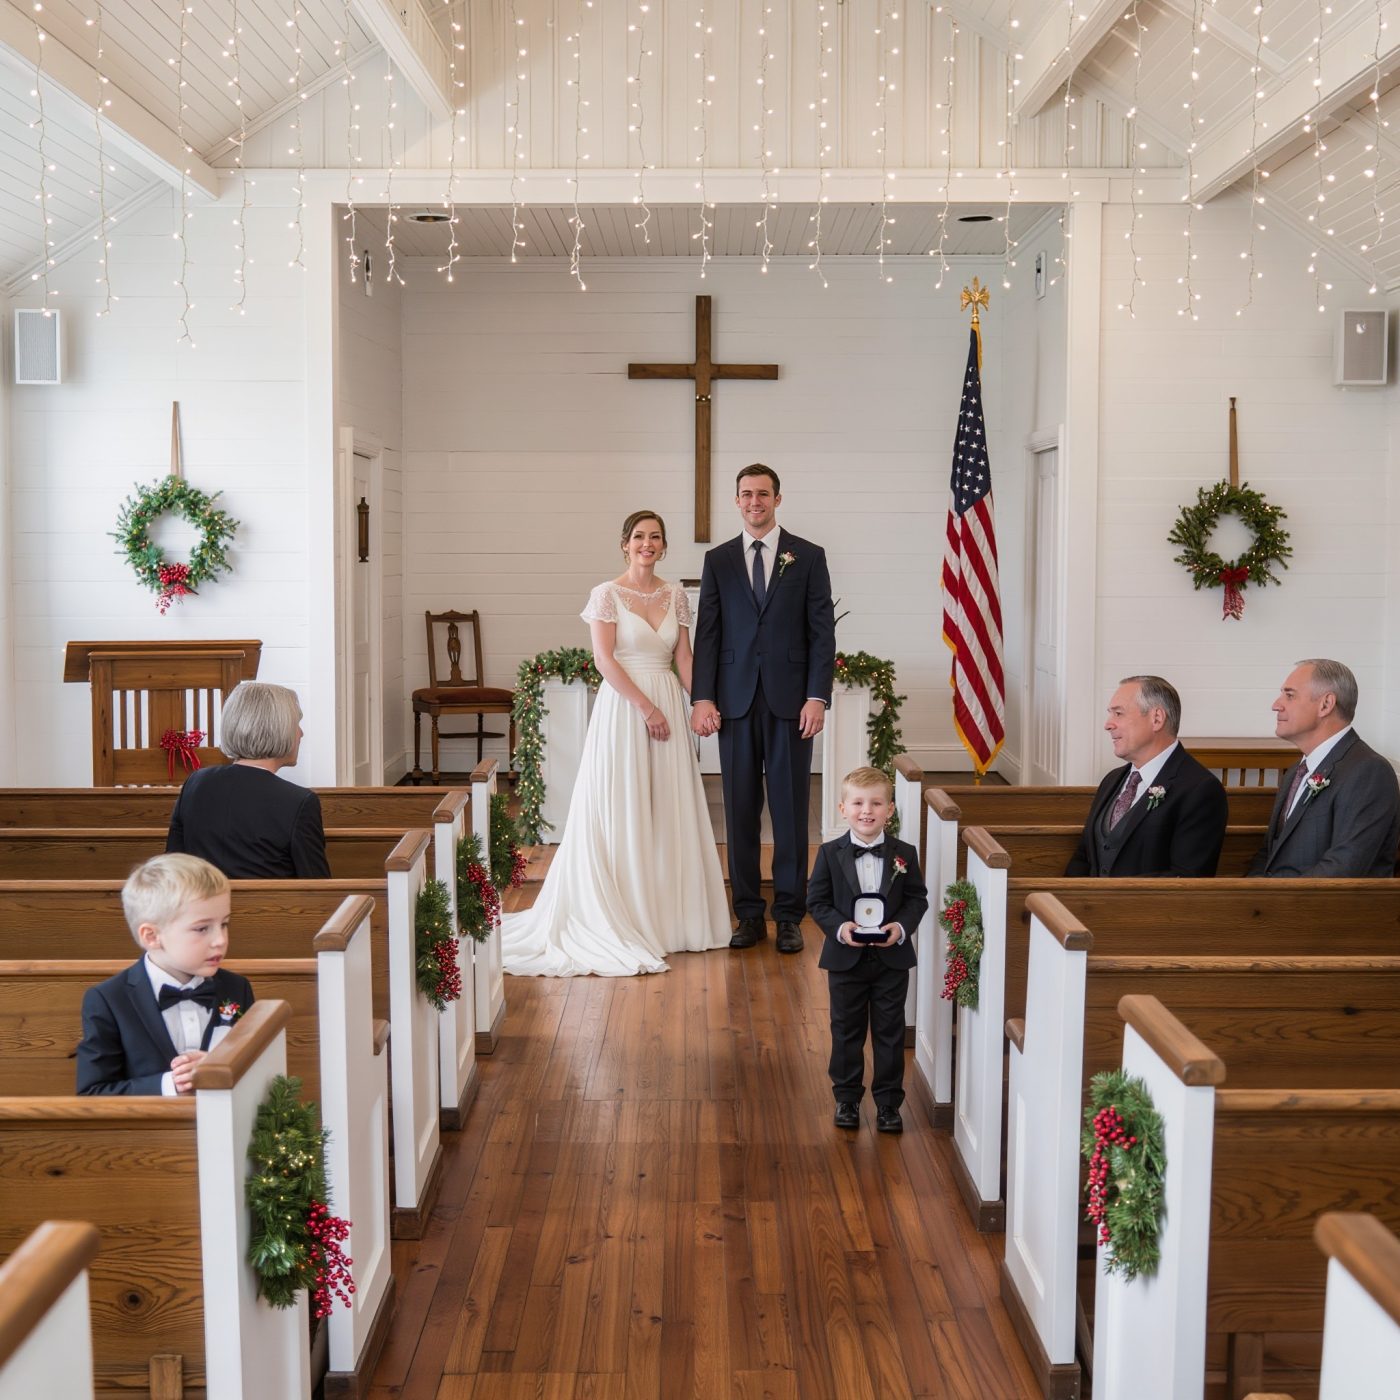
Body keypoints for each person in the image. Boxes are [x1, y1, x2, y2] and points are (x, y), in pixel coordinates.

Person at [500, 510, 731, 976]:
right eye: (639, 536)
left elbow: (684, 658)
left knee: (667, 804)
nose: (647, 543)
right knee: (623, 802)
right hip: (626, 707)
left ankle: (668, 919)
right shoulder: (606, 594)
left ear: (664, 546)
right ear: (625, 544)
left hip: (667, 697)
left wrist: (702, 702)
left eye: (655, 537)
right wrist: (647, 709)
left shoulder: (675, 595)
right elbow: (604, 660)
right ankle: (624, 915)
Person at [691, 465, 837, 955]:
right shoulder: (718, 560)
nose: (755, 501)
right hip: (734, 701)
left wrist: (817, 696)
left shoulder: (808, 556)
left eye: (763, 494)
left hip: (792, 702)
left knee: (791, 810)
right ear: (736, 500)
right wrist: (703, 696)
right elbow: (708, 633)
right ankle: (749, 914)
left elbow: (822, 633)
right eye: (746, 494)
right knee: (739, 811)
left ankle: (790, 914)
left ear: (778, 498)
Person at [807, 767, 928, 1134]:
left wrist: (901, 928)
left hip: (892, 960)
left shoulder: (905, 853)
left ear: (889, 809)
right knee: (846, 1030)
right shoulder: (830, 853)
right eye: (858, 803)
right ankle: (846, 1098)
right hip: (846, 960)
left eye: (876, 803)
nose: (866, 811)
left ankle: (889, 1104)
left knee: (890, 1032)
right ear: (843, 808)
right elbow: (817, 901)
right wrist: (841, 928)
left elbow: (916, 899)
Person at [76, 854, 255, 1096]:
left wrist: (225, 1070)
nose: (220, 940)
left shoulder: (237, 988)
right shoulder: (109, 999)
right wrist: (171, 1085)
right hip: (149, 1122)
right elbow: (93, 1092)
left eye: (224, 924)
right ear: (152, 936)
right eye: (202, 928)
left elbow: (258, 1071)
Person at [1248, 658, 1400, 877]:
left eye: (1290, 695)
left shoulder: (1369, 772)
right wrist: (1251, 892)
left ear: (1326, 705)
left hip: (1318, 899)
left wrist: (1272, 896)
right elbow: (1268, 854)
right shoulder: (1296, 771)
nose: (1276, 705)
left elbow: (1343, 868)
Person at [1065, 675, 1228, 878]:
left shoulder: (1200, 790)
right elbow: (1084, 857)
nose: (1108, 724)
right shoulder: (1112, 780)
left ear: (1156, 719)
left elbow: (1186, 878)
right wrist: (1062, 895)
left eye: (1118, 713)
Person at [166, 681, 331, 879]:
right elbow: (317, 885)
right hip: (269, 901)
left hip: (201, 898)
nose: (301, 733)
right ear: (279, 729)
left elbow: (172, 866)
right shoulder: (299, 802)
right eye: (296, 724)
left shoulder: (195, 783)